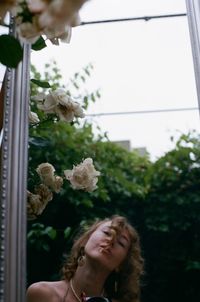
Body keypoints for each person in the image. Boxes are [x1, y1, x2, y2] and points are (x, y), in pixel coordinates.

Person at [26, 215, 144, 302]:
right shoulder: (41, 293)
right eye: (107, 233)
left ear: (122, 264)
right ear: (85, 241)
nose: (111, 241)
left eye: (121, 242)